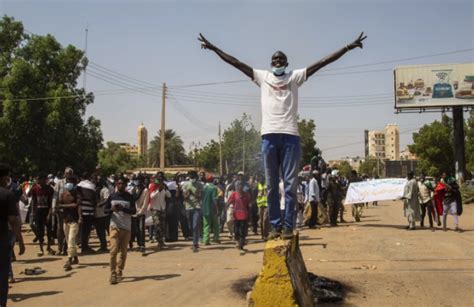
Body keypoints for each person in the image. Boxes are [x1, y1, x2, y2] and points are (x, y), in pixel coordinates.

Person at [199, 32, 367, 239]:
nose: (277, 62)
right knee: (271, 186)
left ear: (286, 63)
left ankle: (288, 226)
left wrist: (347, 48)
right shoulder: (262, 77)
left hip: (290, 136)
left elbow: (323, 62)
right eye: (274, 60)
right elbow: (236, 63)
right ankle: (275, 226)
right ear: (271, 63)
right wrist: (214, 48)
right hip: (268, 136)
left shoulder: (295, 77)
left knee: (289, 186)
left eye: (281, 59)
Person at [0, 163, 25, 307]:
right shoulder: (7, 194)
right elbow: (13, 220)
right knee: (3, 272)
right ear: (4, 178)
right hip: (2, 239)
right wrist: (20, 241)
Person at [105, 177, 136, 285]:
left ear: (126, 185)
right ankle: (112, 273)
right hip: (114, 226)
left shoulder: (129, 197)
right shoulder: (112, 196)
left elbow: (133, 211)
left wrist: (123, 208)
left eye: (122, 183)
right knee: (113, 251)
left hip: (126, 227)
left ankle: (119, 271)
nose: (120, 185)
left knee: (123, 252)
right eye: (118, 183)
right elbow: (105, 210)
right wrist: (111, 209)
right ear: (116, 185)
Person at [58, 176, 81, 271]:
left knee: (71, 240)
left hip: (74, 220)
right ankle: (75, 257)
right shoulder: (63, 194)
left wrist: (80, 217)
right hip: (65, 220)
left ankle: (69, 261)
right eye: (67, 181)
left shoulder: (77, 194)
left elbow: (76, 205)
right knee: (69, 241)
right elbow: (58, 205)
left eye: (70, 181)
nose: (68, 183)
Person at [29, 174, 55, 256]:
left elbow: (51, 203)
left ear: (44, 180)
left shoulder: (49, 189)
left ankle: (48, 247)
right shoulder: (34, 189)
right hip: (38, 212)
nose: (38, 182)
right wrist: (33, 213)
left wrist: (50, 214)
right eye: (37, 180)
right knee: (40, 231)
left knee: (49, 230)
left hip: (47, 211)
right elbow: (33, 201)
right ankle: (41, 248)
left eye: (40, 180)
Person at [227, 180, 250, 255]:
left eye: (240, 185)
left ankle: (241, 245)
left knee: (242, 231)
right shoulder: (233, 194)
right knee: (236, 230)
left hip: (244, 215)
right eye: (237, 186)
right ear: (236, 187)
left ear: (242, 187)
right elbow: (229, 202)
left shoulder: (246, 195)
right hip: (236, 215)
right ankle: (237, 242)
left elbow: (248, 204)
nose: (239, 187)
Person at [182, 171, 203, 252]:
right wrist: (187, 194)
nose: (192, 178)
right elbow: (184, 197)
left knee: (195, 225)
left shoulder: (199, 184)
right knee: (191, 226)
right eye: (190, 176)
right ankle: (195, 240)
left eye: (193, 176)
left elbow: (200, 196)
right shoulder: (186, 184)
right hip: (188, 207)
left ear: (196, 176)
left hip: (197, 207)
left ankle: (195, 244)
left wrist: (193, 193)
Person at [77, 172, 97, 254]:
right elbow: (94, 199)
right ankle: (84, 246)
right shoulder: (92, 186)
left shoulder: (78, 185)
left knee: (80, 229)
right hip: (89, 210)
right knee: (87, 230)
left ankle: (82, 245)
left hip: (80, 209)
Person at [201, 175, 220, 245]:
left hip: (204, 208)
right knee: (216, 225)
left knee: (206, 225)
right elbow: (214, 199)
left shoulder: (203, 187)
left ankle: (206, 240)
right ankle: (216, 238)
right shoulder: (214, 188)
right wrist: (217, 208)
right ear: (213, 180)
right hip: (213, 209)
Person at [256, 176, 269, 240]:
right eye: (260, 179)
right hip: (260, 205)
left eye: (262, 179)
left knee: (265, 220)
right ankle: (262, 235)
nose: (261, 180)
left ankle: (266, 234)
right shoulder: (257, 186)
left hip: (267, 204)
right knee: (261, 221)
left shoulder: (267, 185)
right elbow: (254, 194)